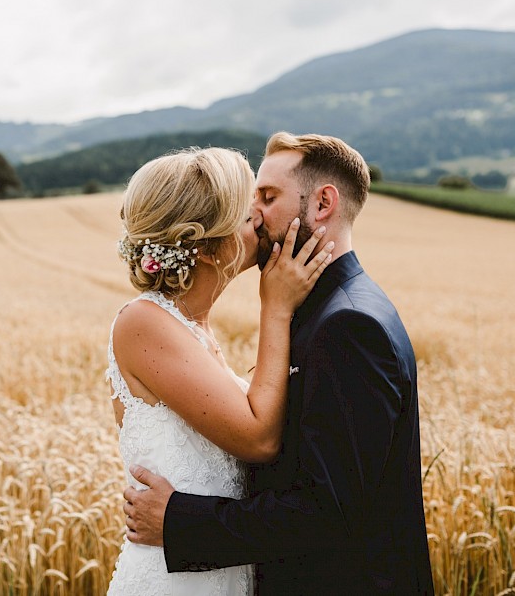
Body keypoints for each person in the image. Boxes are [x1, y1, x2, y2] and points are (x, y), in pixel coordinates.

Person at [123, 133, 435, 595]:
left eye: (268, 197)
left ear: (323, 203)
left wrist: (181, 523)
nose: (255, 216)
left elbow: (326, 511)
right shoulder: (322, 310)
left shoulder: (347, 326)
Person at [105, 146, 334, 595]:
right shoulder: (144, 323)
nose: (260, 221)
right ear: (209, 248)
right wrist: (276, 307)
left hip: (217, 567)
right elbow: (259, 437)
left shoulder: (192, 327)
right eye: (246, 214)